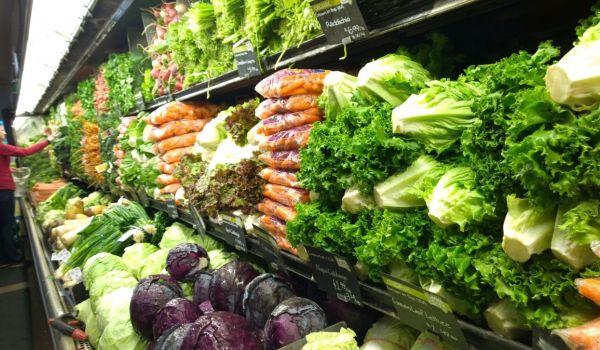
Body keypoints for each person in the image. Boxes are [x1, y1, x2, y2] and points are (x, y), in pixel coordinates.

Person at [0, 127, 54, 265]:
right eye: (1, 130)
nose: (4, 132)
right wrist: (48, 141)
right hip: (3, 191)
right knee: (7, 224)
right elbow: (25, 152)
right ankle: (12, 257)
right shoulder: (1, 147)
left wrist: (7, 169)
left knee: (3, 224)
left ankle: (5, 255)